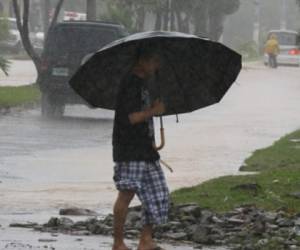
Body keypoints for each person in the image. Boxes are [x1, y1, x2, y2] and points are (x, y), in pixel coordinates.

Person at [112, 47, 169, 250]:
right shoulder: (130, 84)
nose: (157, 66)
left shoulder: (144, 85)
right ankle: (118, 243)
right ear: (142, 61)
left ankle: (146, 239)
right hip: (129, 150)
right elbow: (130, 117)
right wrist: (153, 111)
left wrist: (152, 110)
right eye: (154, 61)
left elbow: (141, 115)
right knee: (126, 193)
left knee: (158, 194)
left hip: (146, 150)